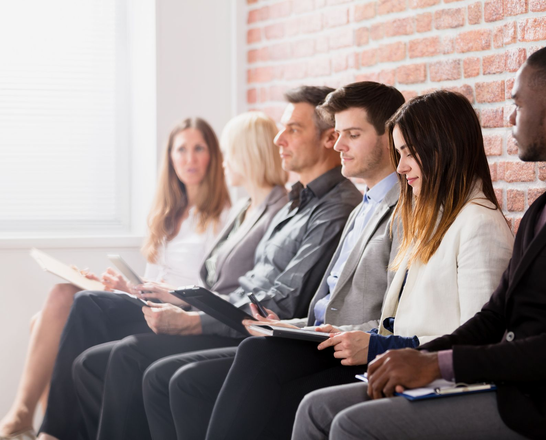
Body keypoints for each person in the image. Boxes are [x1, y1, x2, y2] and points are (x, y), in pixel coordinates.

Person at [293, 44, 546, 440]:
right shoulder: (544, 206)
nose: (509, 117)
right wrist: (417, 356)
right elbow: (493, 317)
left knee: (352, 425)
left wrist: (437, 367)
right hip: (512, 389)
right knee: (317, 408)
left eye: (518, 105)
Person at [202, 88, 514, 440]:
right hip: (393, 358)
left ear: (443, 149)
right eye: (400, 154)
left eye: (409, 154)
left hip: (427, 375)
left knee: (287, 388)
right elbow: (392, 319)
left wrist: (378, 345)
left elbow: (477, 344)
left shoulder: (480, 225)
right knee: (265, 362)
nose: (401, 167)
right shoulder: (432, 220)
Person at [69, 86, 363, 440]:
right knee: (96, 343)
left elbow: (283, 302)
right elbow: (249, 284)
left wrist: (193, 320)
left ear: (328, 139)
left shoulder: (335, 207)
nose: (279, 139)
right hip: (237, 319)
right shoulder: (295, 203)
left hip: (258, 331)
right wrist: (184, 300)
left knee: (140, 361)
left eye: (293, 129)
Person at [141, 81, 406, 440]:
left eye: (351, 134)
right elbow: (318, 303)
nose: (340, 143)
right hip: (308, 334)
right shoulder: (361, 206)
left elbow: (393, 312)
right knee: (182, 373)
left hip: (344, 347)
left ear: (389, 138)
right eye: (339, 134)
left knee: (230, 362)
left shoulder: (384, 209)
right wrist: (292, 326)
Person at [33, 112, 288, 440]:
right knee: (73, 309)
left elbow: (218, 285)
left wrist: (173, 297)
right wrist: (129, 289)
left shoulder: (231, 214)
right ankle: (52, 430)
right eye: (181, 150)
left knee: (86, 307)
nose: (197, 159)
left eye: (203, 149)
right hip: (169, 300)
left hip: (193, 310)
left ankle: (50, 432)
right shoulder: (197, 213)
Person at [0, 117, 230, 440]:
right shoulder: (168, 215)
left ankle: (42, 429)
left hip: (179, 314)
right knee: (54, 304)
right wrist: (120, 288)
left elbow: (211, 289)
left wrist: (144, 295)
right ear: (170, 157)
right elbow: (149, 283)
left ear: (213, 156)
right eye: (181, 149)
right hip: (147, 303)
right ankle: (33, 421)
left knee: (70, 306)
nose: (189, 158)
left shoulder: (221, 217)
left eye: (199, 149)